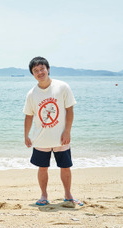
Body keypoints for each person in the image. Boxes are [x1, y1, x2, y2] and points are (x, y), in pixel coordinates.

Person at [23, 57, 83, 207]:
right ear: (32, 74)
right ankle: (43, 195)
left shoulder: (62, 87)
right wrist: (26, 135)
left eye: (42, 68)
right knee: (42, 167)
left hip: (61, 137)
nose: (39, 72)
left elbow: (69, 110)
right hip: (41, 139)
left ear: (48, 69)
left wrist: (67, 131)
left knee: (65, 167)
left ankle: (68, 195)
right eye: (35, 70)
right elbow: (29, 116)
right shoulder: (32, 94)